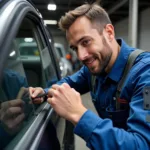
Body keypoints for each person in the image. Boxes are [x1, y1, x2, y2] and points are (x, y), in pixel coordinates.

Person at [29, 3, 150, 149]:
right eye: (75, 48)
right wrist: (44, 92)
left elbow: (142, 145)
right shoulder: (93, 70)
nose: (81, 56)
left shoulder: (144, 74)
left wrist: (78, 114)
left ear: (109, 33)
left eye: (86, 42)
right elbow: (69, 82)